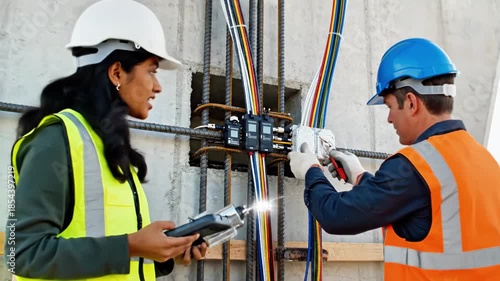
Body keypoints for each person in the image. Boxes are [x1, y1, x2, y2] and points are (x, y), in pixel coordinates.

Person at [5, 0, 207, 280]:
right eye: (152, 71)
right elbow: (23, 254)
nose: (157, 86)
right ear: (116, 73)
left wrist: (164, 251)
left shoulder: (106, 146)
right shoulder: (55, 141)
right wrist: (131, 245)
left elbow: (110, 255)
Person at [288, 38, 500, 280]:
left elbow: (336, 215)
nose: (389, 119)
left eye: (389, 106)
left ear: (411, 102)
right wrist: (360, 177)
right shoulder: (485, 160)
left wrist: (310, 171)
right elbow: (414, 206)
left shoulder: (415, 165)